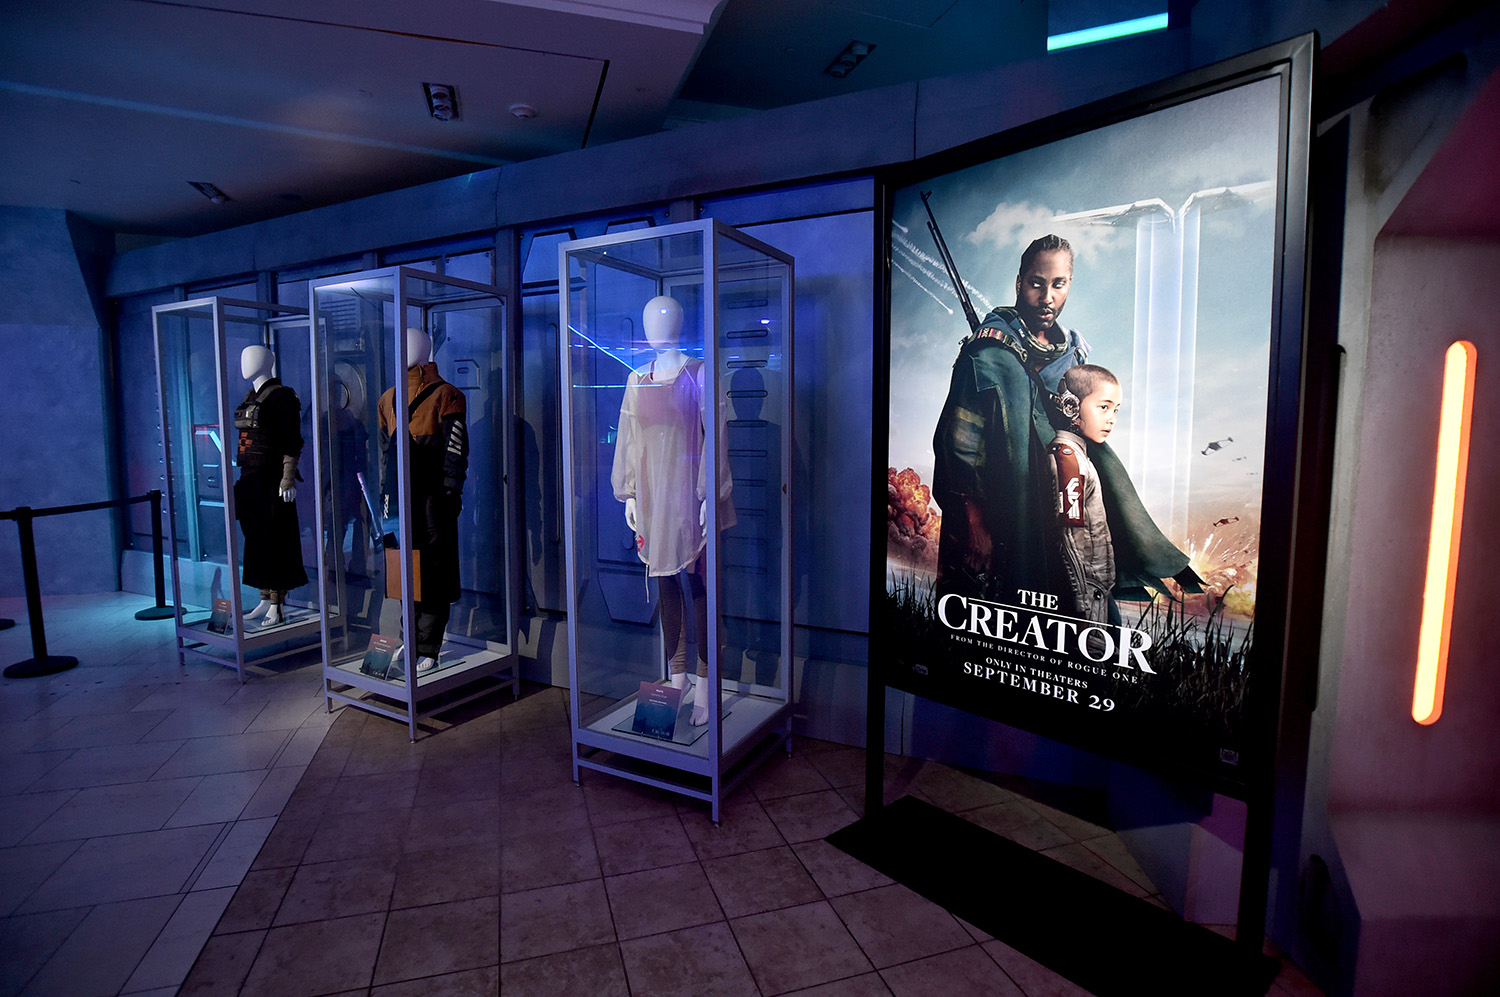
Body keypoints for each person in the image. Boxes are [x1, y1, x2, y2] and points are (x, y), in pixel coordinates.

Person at [932, 234, 1090, 604]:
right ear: (1020, 283)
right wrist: (976, 526)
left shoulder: (1074, 358)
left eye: (1058, 284)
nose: (1047, 296)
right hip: (994, 515)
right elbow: (958, 449)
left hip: (1048, 518)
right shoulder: (988, 353)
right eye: (1037, 283)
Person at [612, 296, 735, 727]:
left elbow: (714, 439)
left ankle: (707, 680)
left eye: (662, 318)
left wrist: (710, 496)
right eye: (648, 318)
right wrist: (629, 494)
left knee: (700, 587)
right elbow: (629, 439)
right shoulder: (635, 379)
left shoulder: (701, 374)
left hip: (691, 498)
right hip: (652, 498)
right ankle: (677, 674)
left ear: (680, 323)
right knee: (665, 582)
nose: (654, 325)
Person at [378, 328, 468, 675]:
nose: (402, 349)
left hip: (433, 499)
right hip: (399, 502)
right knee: (404, 570)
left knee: (434, 569)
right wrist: (385, 497)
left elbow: (455, 452)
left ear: (426, 348)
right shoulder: (388, 399)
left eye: (409, 343)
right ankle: (410, 640)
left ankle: (429, 644)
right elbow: (384, 455)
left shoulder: (447, 396)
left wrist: (451, 492)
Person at [233, 345, 307, 625]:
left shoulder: (282, 397)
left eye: (251, 358)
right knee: (255, 537)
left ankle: (277, 602)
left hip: (272, 480)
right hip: (250, 478)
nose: (245, 363)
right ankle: (265, 597)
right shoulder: (251, 397)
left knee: (276, 538)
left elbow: (291, 440)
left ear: (267, 362)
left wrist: (288, 476)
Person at [1046, 364, 1120, 623]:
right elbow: (1070, 540)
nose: (1112, 418)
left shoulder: (1079, 458)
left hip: (1096, 590)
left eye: (1116, 410)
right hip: (1088, 596)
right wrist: (1086, 602)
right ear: (1070, 407)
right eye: (1104, 407)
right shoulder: (1069, 460)